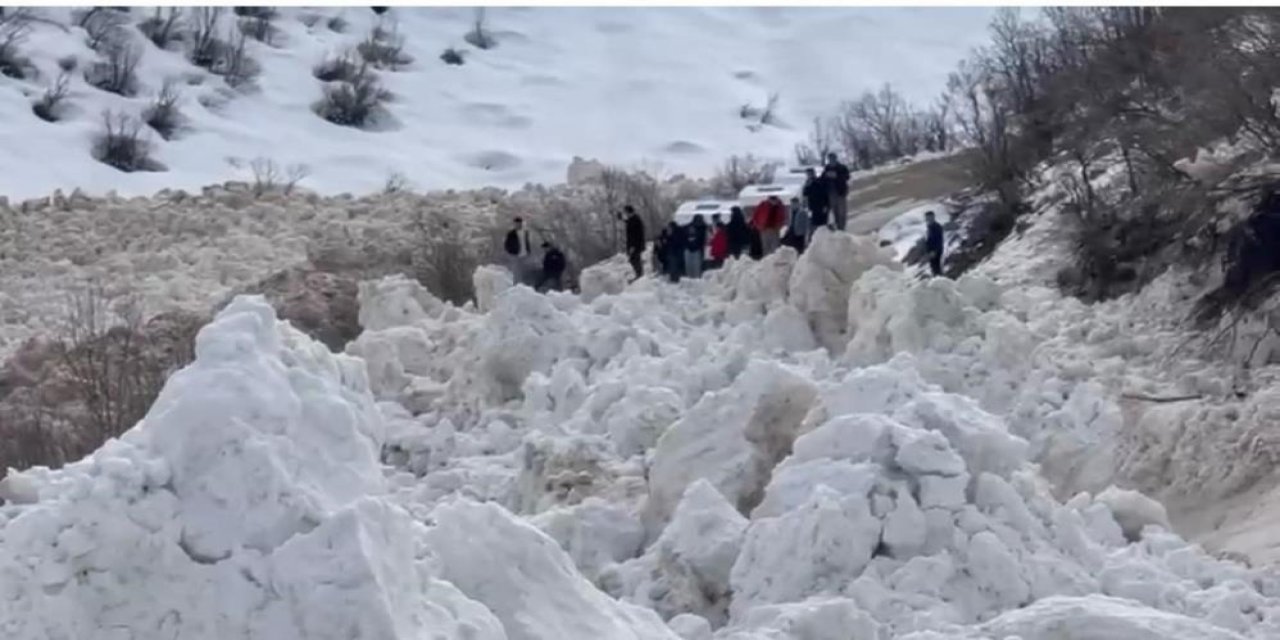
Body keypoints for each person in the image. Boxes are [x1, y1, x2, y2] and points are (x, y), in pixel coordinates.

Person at [822, 153, 851, 231]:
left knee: (842, 211)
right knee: (835, 211)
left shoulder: (841, 167)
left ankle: (842, 227)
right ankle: (838, 226)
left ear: (835, 159)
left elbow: (847, 177)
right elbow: (822, 180)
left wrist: (837, 176)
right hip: (831, 193)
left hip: (840, 193)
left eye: (833, 158)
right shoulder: (827, 168)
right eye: (830, 159)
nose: (831, 160)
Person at [503, 216, 534, 284]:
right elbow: (507, 244)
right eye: (516, 223)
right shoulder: (511, 233)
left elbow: (527, 242)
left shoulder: (525, 232)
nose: (518, 225)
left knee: (524, 270)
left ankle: (524, 284)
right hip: (515, 255)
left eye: (519, 223)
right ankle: (516, 285)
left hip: (525, 254)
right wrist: (510, 251)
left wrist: (528, 251)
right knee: (516, 271)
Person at [803, 167, 830, 236]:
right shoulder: (807, 183)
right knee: (813, 224)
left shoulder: (819, 181)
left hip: (821, 205)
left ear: (813, 173)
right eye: (808, 174)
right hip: (812, 207)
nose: (809, 175)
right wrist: (807, 186)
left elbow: (825, 194)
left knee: (822, 224)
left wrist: (826, 205)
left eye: (810, 174)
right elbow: (805, 194)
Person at [622, 205, 646, 280]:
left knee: (634, 259)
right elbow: (628, 222)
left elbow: (636, 234)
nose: (625, 214)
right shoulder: (633, 219)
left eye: (625, 212)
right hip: (634, 245)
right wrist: (622, 219)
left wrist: (633, 246)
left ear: (628, 212)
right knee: (634, 259)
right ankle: (639, 274)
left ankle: (640, 275)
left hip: (635, 245)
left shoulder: (635, 220)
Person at [684, 214, 709, 279]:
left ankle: (692, 278)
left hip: (693, 249)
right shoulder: (703, 228)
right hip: (696, 250)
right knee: (695, 267)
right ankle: (694, 279)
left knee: (692, 267)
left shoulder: (702, 228)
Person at [924, 210, 944, 277]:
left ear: (932, 217)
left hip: (935, 251)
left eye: (928, 217)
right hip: (931, 251)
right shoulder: (930, 227)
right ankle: (937, 279)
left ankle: (939, 280)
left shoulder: (936, 227)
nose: (927, 219)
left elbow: (939, 240)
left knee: (936, 267)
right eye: (926, 217)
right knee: (933, 267)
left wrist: (935, 251)